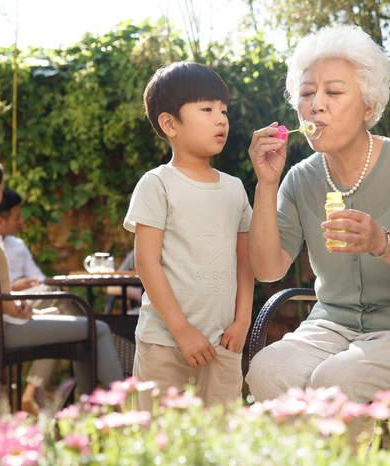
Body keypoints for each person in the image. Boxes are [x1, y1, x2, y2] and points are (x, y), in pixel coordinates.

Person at [245, 25, 390, 441]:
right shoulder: (298, 179)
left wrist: (383, 242)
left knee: (337, 380)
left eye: (334, 92)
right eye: (307, 94)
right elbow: (267, 268)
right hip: (331, 326)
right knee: (268, 371)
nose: (316, 106)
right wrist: (266, 184)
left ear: (368, 105)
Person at [123, 62, 254, 411]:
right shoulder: (157, 184)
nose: (221, 118)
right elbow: (146, 263)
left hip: (224, 343)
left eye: (224, 110)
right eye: (207, 109)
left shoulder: (236, 189)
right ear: (170, 124)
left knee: (221, 439)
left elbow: (245, 262)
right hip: (165, 343)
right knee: (159, 440)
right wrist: (182, 331)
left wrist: (243, 321)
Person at [0, 157, 124, 402]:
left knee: (64, 317)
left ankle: (85, 412)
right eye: (0, 188)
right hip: (4, 329)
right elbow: (5, 302)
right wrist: (23, 309)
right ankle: (125, 412)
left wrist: (24, 309)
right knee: (96, 328)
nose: (1, 193)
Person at [0, 188, 83, 414]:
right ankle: (90, 342)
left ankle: (30, 395)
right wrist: (12, 287)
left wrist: (27, 285)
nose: (22, 220)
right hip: (5, 310)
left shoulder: (18, 245)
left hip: (31, 304)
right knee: (78, 323)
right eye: (17, 216)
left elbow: (38, 279)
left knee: (58, 316)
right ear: (0, 220)